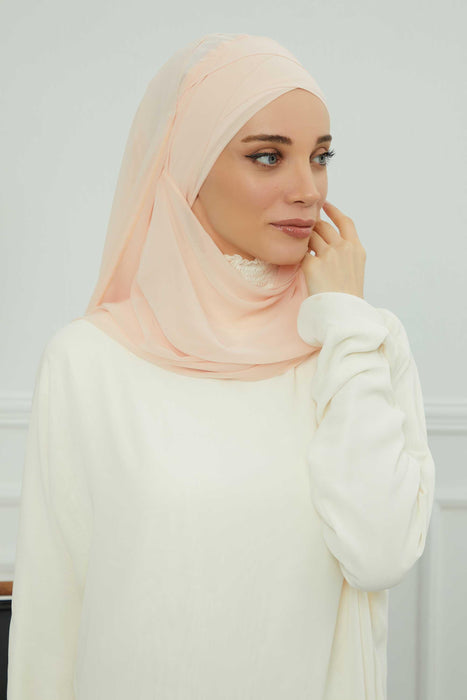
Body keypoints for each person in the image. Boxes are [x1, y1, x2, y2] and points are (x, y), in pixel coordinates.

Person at [7, 33, 435, 700]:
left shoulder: (362, 344)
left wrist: (345, 324)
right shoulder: (89, 362)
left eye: (320, 157)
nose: (307, 190)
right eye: (268, 156)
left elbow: (378, 555)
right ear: (190, 166)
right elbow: (51, 621)